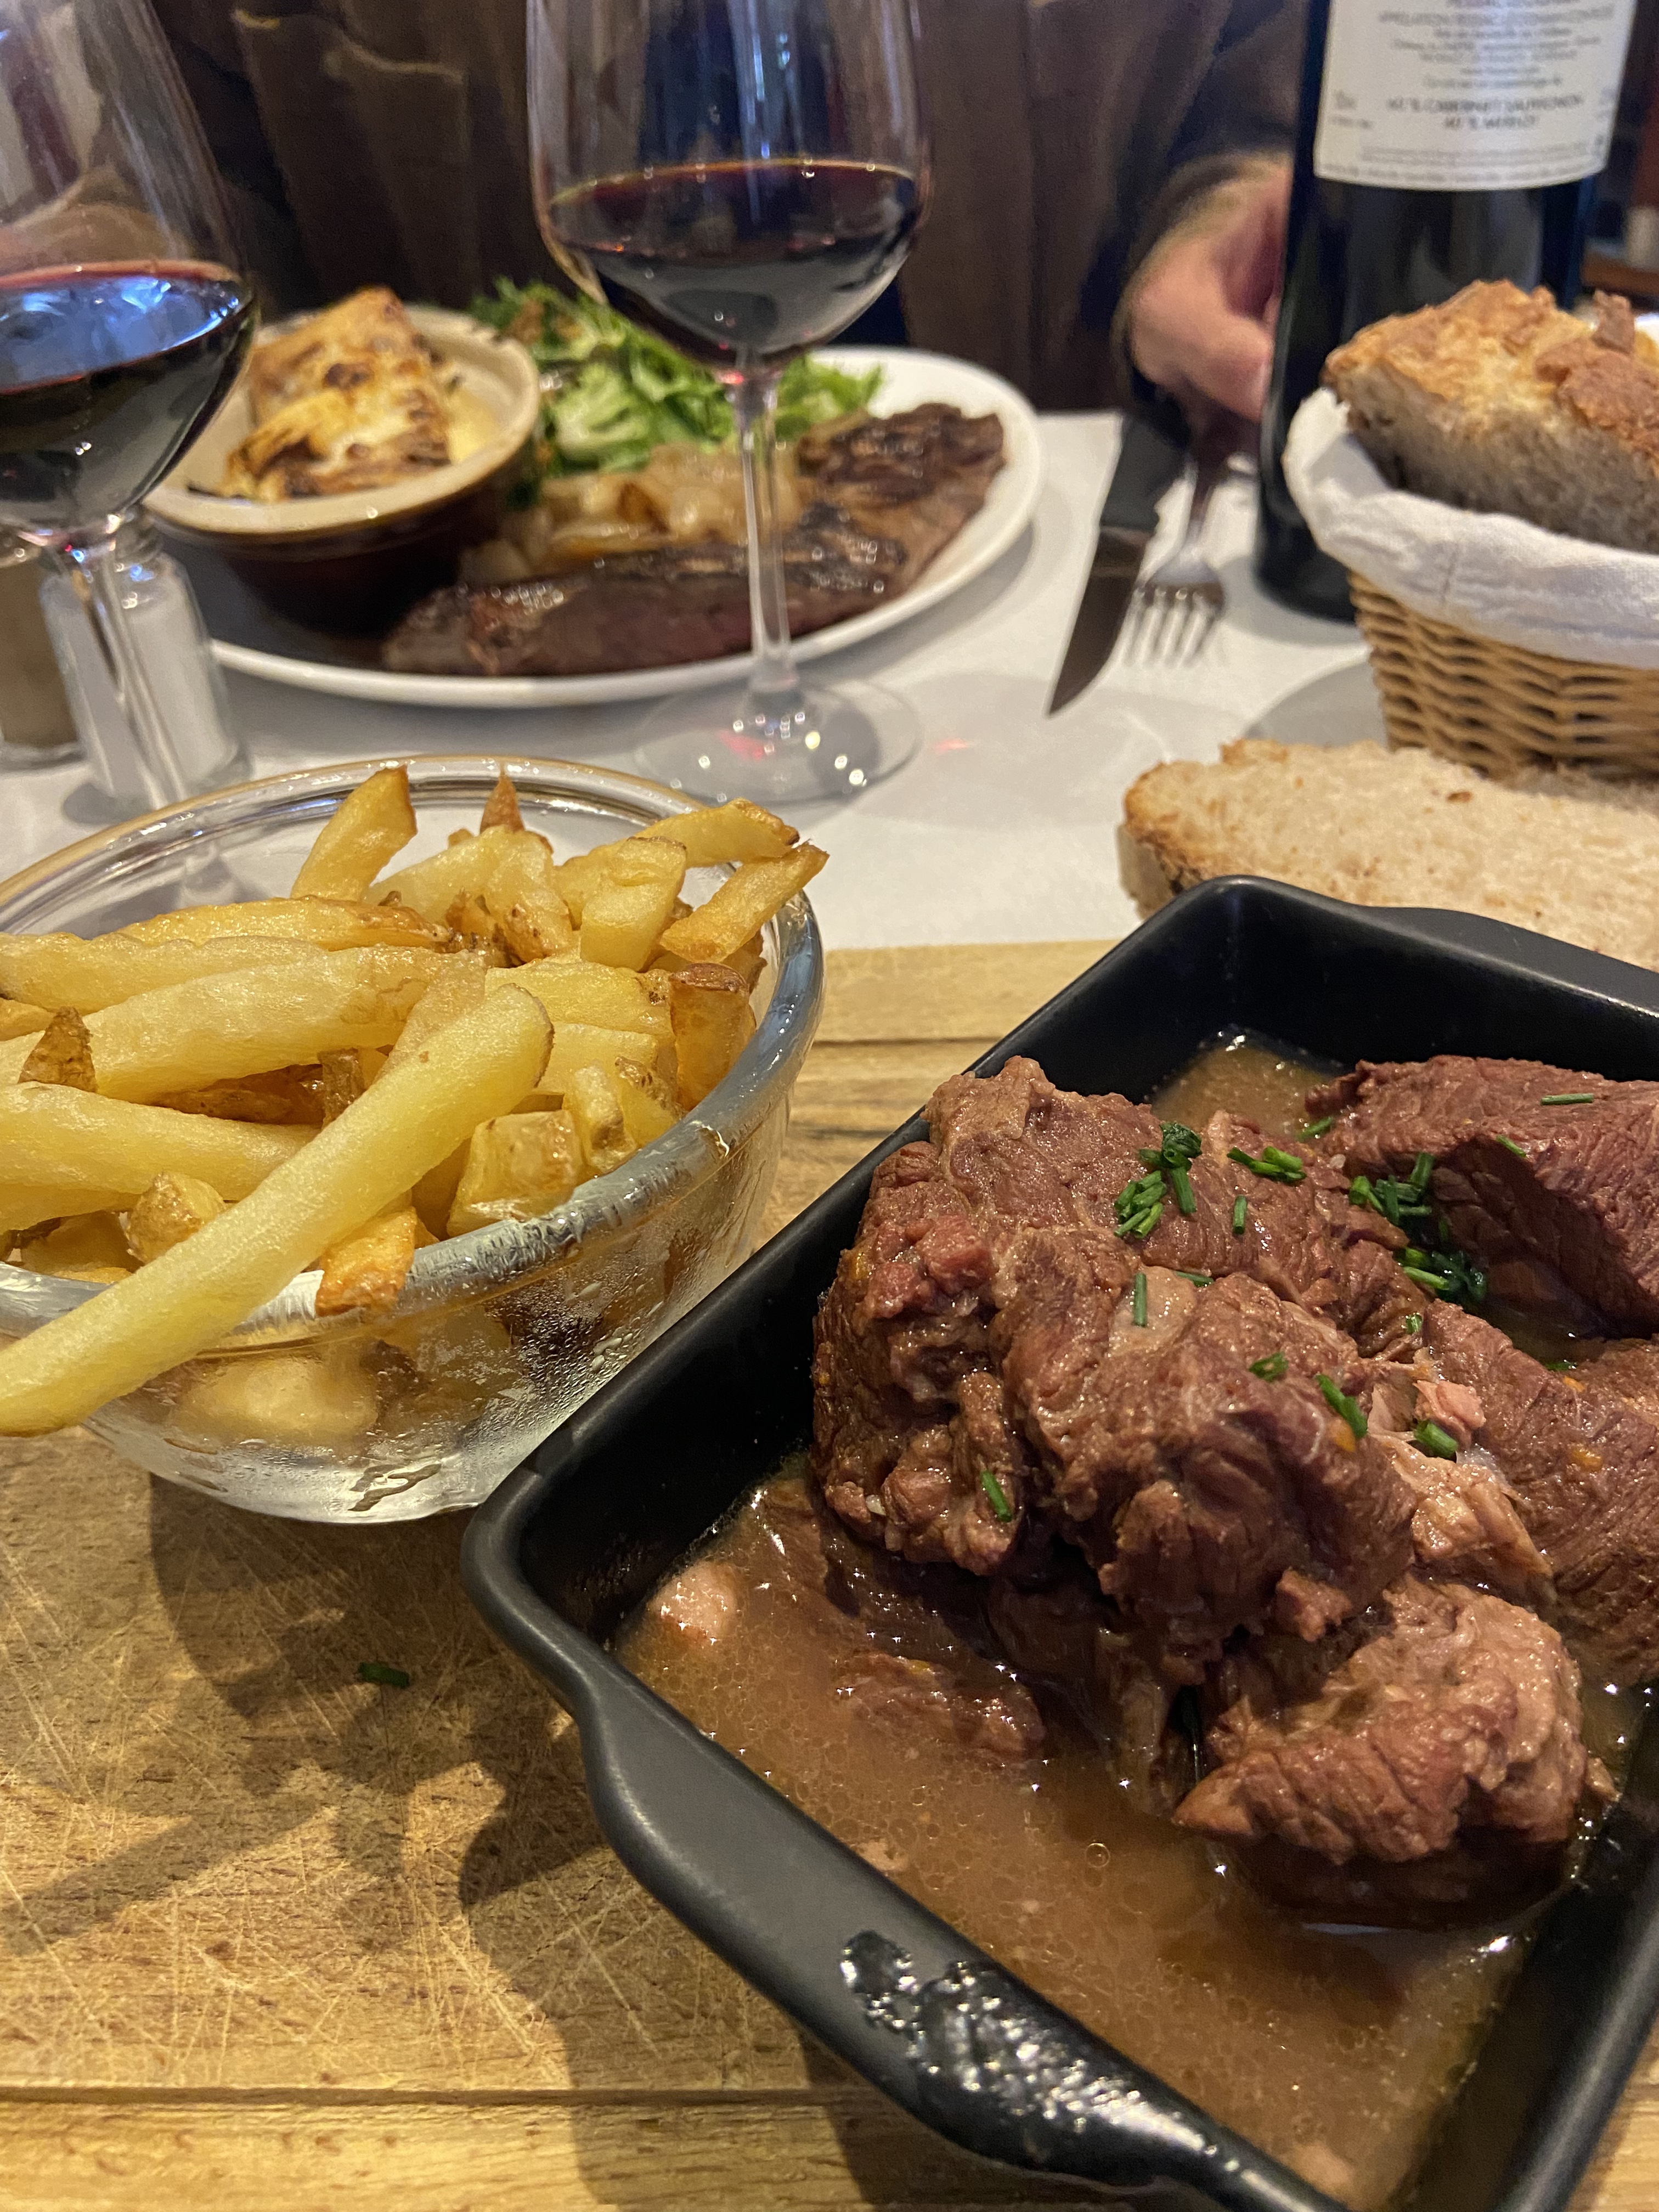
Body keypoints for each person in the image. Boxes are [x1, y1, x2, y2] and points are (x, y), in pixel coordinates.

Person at [150, 0, 1302, 426]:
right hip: (422, 659)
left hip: (1057, 548)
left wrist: (1213, 229)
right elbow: (192, 183)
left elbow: (1252, 98)